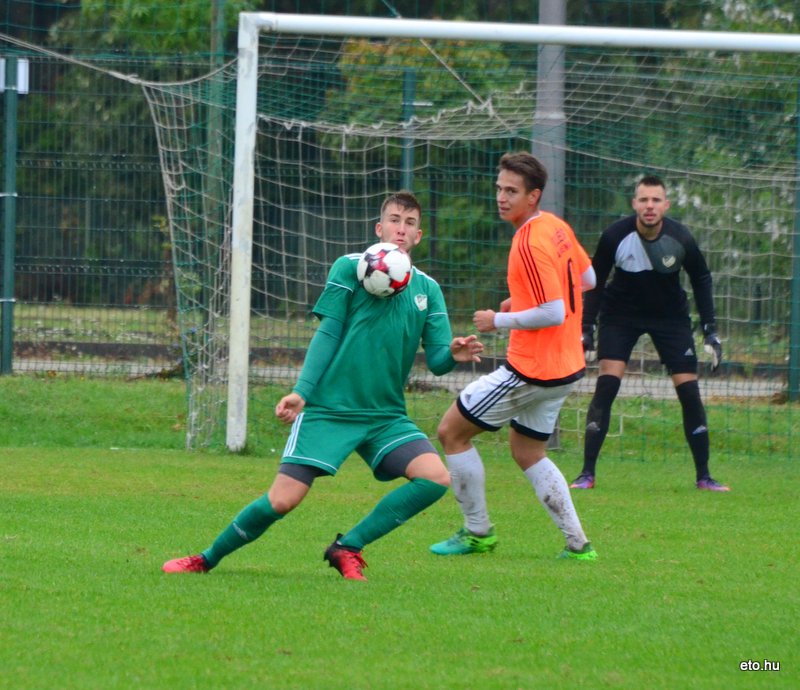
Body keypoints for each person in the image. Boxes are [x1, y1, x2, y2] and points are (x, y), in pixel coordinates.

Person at [162, 191, 484, 581]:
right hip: (330, 410)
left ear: (418, 236)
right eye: (395, 220)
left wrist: (454, 353)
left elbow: (436, 362)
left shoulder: (427, 290)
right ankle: (206, 558)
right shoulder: (349, 268)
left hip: (384, 416)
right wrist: (302, 391)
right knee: (282, 501)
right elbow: (328, 332)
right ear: (379, 229)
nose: (402, 228)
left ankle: (347, 546)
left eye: (410, 223)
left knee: (434, 479)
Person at [429, 152, 598, 560]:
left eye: (512, 191)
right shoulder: (556, 227)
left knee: (451, 432)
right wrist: (522, 300)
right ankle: (579, 545)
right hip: (567, 366)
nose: (502, 198)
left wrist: (496, 320)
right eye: (499, 189)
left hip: (531, 370)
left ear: (533, 196)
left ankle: (477, 532)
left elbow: (554, 311)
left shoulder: (528, 241)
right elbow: (587, 279)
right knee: (528, 451)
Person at [570, 175, 729, 492]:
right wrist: (585, 328)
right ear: (634, 204)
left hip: (670, 318)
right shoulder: (615, 235)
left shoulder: (680, 238)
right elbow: (595, 281)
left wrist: (710, 329)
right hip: (620, 316)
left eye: (656, 200)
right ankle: (587, 474)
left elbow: (701, 278)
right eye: (643, 200)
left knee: (689, 393)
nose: (650, 206)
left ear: (666, 205)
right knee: (606, 386)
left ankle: (704, 477)